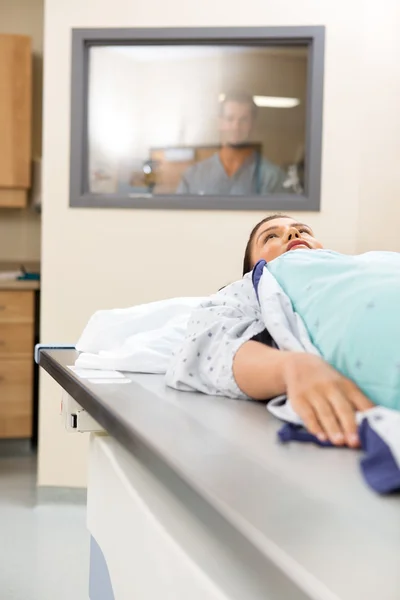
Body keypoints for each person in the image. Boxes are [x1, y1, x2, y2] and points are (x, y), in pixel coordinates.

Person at [167, 214, 400, 448]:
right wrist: (292, 367)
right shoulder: (258, 284)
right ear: (252, 268)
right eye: (270, 236)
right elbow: (209, 344)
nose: (293, 234)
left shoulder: (371, 261)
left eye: (304, 230)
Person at [176, 92, 290, 195]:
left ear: (253, 124)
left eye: (244, 120)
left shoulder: (272, 177)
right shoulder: (193, 176)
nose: (236, 127)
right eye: (230, 119)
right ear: (220, 123)